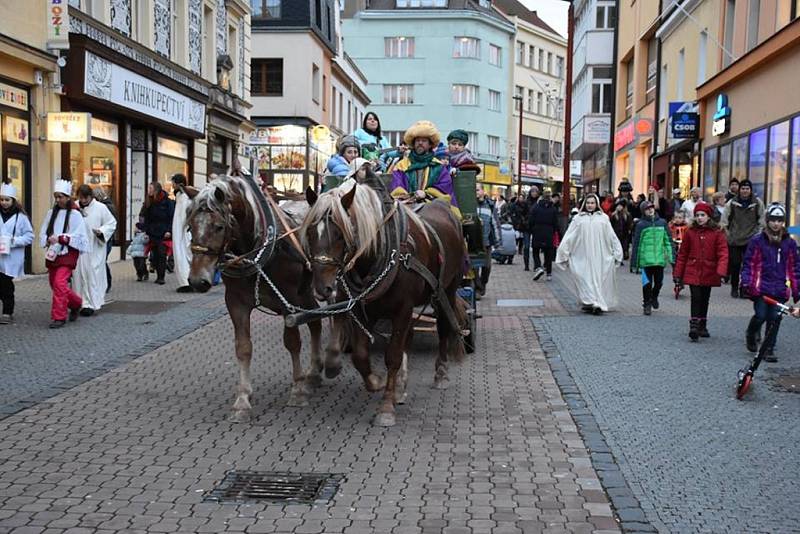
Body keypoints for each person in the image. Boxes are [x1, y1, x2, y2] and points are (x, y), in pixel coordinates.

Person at [740, 203, 800, 362]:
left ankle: (768, 349)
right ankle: (751, 333)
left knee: (774, 318)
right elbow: (749, 264)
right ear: (767, 221)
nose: (776, 223)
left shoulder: (790, 243)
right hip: (760, 287)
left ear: (783, 222)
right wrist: (746, 282)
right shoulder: (757, 241)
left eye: (779, 220)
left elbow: (795, 268)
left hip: (780, 288)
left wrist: (796, 289)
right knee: (760, 315)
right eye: (773, 220)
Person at [555, 194, 623, 314]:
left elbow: (611, 236)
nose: (590, 205)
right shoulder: (578, 219)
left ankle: (596, 302)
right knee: (584, 278)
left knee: (598, 279)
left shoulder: (603, 218)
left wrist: (618, 251)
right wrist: (563, 252)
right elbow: (570, 236)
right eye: (588, 203)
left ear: (596, 204)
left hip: (600, 255)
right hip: (583, 255)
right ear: (584, 204)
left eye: (592, 203)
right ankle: (590, 301)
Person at [673, 202, 729, 341]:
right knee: (696, 296)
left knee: (705, 298)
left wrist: (721, 269)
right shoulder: (690, 232)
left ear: (708, 216)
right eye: (697, 215)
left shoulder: (717, 232)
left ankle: (702, 324)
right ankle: (694, 324)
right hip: (693, 268)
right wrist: (678, 273)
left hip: (709, 270)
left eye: (702, 215)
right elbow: (683, 254)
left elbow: (723, 252)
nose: (699, 218)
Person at [39, 179, 89, 328]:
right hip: (53, 252)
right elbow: (43, 231)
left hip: (67, 253)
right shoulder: (51, 213)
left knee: (60, 283)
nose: (58, 200)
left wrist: (62, 238)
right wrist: (47, 239)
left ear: (68, 197)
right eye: (56, 197)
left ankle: (59, 317)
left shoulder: (75, 214)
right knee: (55, 284)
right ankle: (76, 303)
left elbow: (80, 236)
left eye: (60, 196)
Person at [389, 120, 460, 218]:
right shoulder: (401, 165)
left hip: (433, 208)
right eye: (418, 140)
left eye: (424, 141)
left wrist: (426, 194)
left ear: (430, 144)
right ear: (413, 143)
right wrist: (411, 197)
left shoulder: (438, 166)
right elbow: (397, 186)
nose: (420, 143)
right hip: (406, 207)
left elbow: (445, 188)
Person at [74, 184, 117, 316]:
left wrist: (101, 232)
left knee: (93, 273)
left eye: (85, 198)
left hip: (94, 247)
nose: (83, 201)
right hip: (79, 248)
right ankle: (79, 302)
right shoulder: (75, 207)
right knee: (78, 275)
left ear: (91, 196)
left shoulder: (101, 208)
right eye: (81, 198)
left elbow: (111, 223)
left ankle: (93, 303)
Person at [721, 179, 765, 298]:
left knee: (748, 265)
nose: (745, 191)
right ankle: (734, 287)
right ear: (739, 190)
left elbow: (762, 220)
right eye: (743, 188)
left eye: (747, 188)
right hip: (735, 239)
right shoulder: (732, 203)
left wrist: (758, 235)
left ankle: (744, 288)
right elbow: (724, 220)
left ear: (750, 190)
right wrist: (728, 234)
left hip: (751, 239)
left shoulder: (757, 203)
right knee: (735, 264)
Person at [0, 181, 34, 324]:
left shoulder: (21, 218)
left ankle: (7, 312)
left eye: (7, 200)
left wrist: (14, 241)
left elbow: (29, 236)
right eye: (1, 199)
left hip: (11, 257)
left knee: (6, 285)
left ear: (13, 201)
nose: (4, 203)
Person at [631, 201, 673, 316]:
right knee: (647, 284)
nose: (650, 210)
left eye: (651, 208)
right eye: (647, 209)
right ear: (643, 211)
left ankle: (654, 296)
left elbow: (668, 240)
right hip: (646, 260)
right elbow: (636, 244)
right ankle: (646, 304)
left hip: (659, 260)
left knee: (659, 282)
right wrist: (634, 262)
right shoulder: (641, 225)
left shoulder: (662, 223)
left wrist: (672, 257)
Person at [141, 182, 175, 285]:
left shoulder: (167, 202)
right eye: (148, 188)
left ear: (156, 190)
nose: (149, 190)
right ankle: (159, 269)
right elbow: (144, 217)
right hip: (152, 232)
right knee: (154, 255)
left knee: (161, 254)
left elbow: (171, 217)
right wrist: (144, 229)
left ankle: (161, 277)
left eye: (150, 188)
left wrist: (169, 230)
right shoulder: (149, 201)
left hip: (164, 233)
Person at [475, 185, 501, 296]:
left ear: (483, 191)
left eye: (477, 189)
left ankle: (483, 283)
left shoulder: (490, 205)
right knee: (474, 267)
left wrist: (498, 241)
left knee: (486, 266)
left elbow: (495, 224)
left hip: (487, 242)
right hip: (473, 242)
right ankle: (477, 288)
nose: (475, 192)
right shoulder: (469, 204)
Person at [528, 190, 559, 281]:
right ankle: (549, 273)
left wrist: (532, 230)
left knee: (535, 251)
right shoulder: (553, 209)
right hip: (549, 232)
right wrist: (554, 231)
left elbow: (531, 220)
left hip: (537, 231)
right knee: (548, 253)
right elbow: (555, 223)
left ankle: (538, 267)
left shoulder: (536, 207)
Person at [171, 173, 193, 293]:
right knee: (181, 255)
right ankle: (185, 281)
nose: (172, 185)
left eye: (173, 182)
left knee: (184, 254)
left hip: (183, 231)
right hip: (179, 230)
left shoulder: (184, 197)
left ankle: (187, 281)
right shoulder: (180, 195)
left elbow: (185, 215)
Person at [92, 187, 117, 292]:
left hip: (106, 238)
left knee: (102, 260)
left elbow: (111, 223)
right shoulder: (107, 205)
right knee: (101, 260)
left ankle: (107, 282)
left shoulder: (106, 207)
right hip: (101, 237)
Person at [520, 186, 541, 271]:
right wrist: (524, 221)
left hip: (536, 227)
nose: (534, 193)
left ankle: (536, 265)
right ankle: (526, 265)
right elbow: (521, 213)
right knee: (526, 246)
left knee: (536, 246)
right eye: (532, 191)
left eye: (535, 192)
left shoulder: (539, 202)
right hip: (527, 227)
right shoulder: (526, 202)